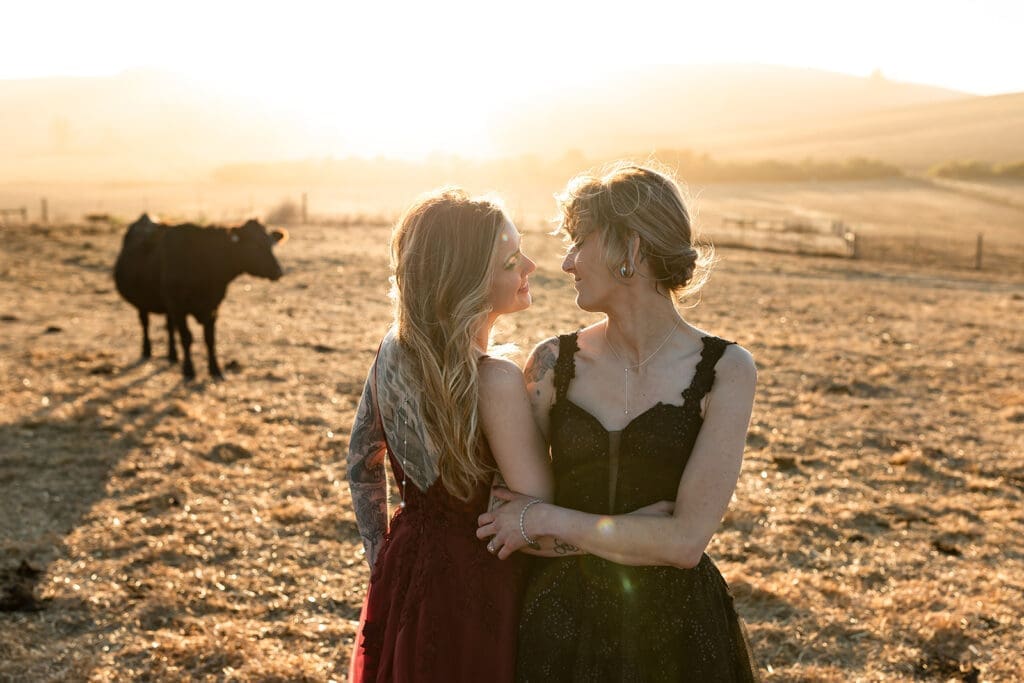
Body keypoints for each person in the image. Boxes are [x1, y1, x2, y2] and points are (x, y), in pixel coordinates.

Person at [477, 162, 761, 681]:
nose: (566, 262)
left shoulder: (727, 370)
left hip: (677, 635)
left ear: (630, 248)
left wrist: (548, 518)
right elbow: (504, 521)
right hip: (557, 629)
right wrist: (633, 534)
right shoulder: (549, 364)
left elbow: (683, 544)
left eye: (580, 240)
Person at [346, 188, 553, 682]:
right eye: (510, 260)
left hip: (408, 567)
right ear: (466, 282)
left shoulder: (394, 351)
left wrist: (381, 555)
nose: (531, 265)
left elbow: (361, 464)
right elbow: (538, 514)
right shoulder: (496, 380)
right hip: (479, 585)